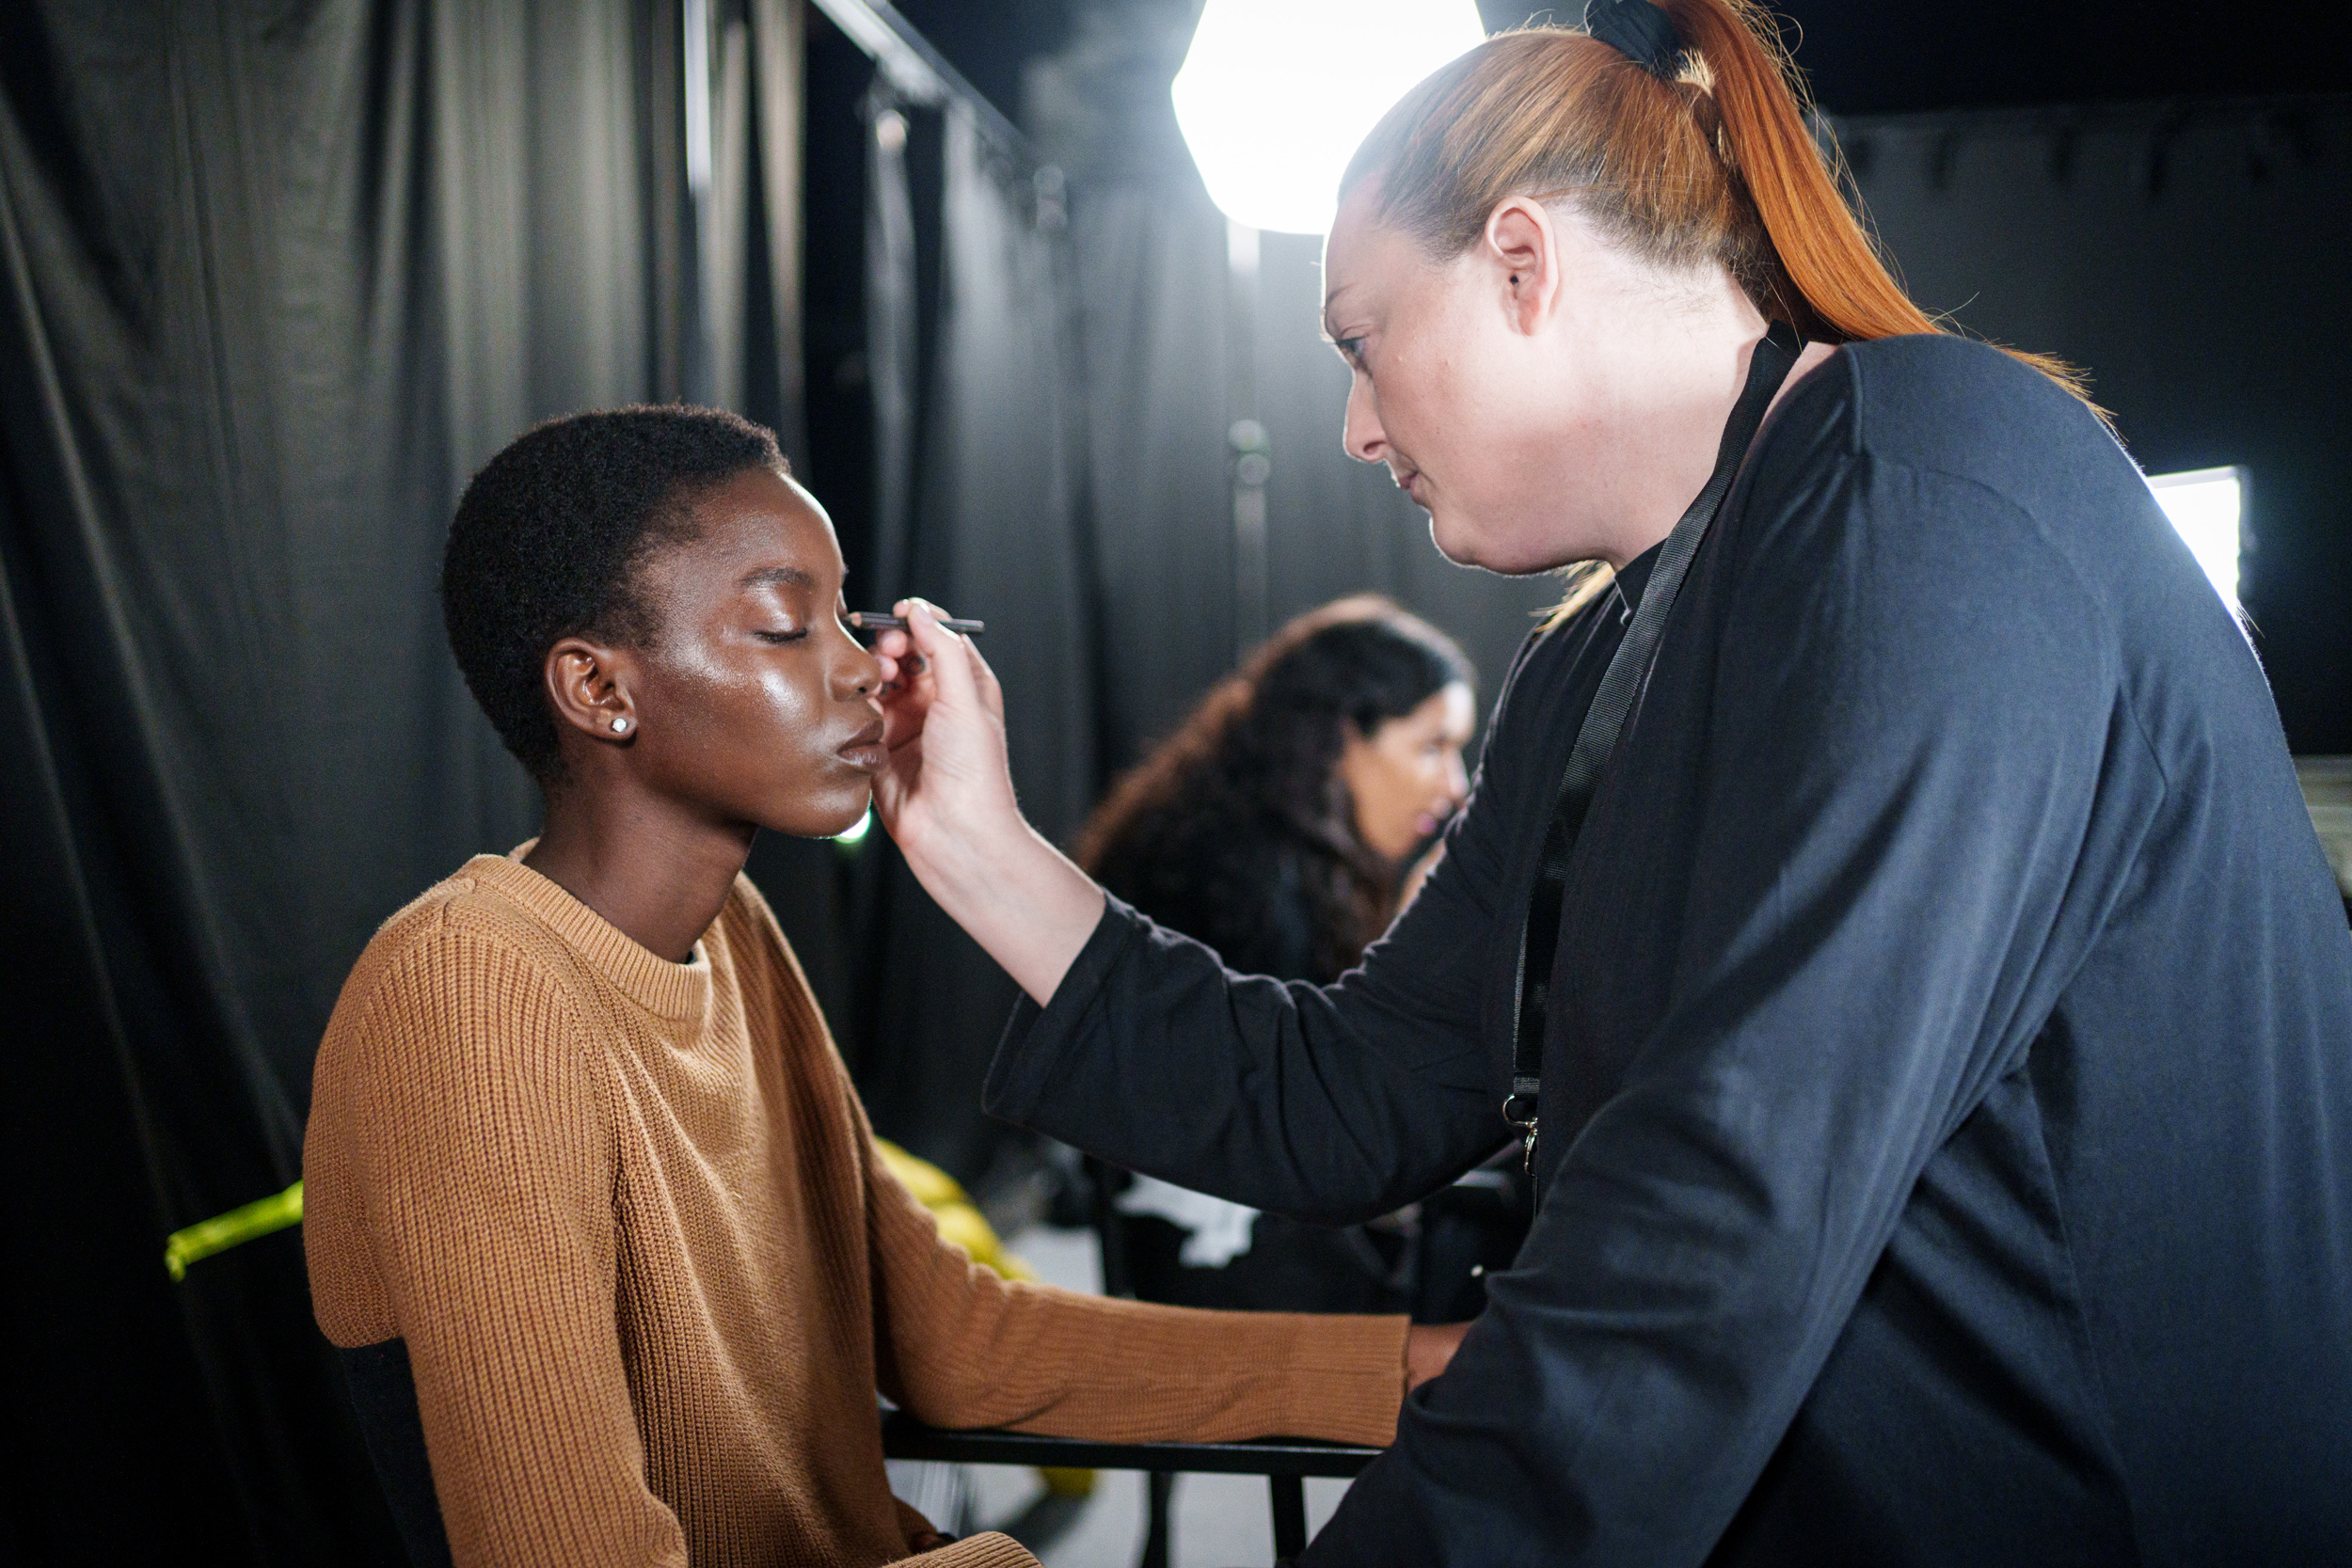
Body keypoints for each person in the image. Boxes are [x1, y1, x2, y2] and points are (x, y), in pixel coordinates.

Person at [863, 2, 2352, 1562]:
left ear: (1522, 263)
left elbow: (1714, 1230)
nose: (1358, 429)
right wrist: (976, 844)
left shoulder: (1939, 495)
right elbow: (1357, 1096)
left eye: (1362, 342)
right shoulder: (1594, 664)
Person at [301, 406, 1463, 1568]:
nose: (865, 669)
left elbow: (957, 1340)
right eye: (782, 627)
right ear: (599, 686)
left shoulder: (733, 932)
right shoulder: (468, 992)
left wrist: (1411, 1367)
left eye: (846, 616)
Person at [1074, 595, 1479, 1315]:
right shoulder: (1254, 884)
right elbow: (1327, 1110)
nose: (1454, 786)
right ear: (1342, 738)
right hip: (1247, 1278)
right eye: (1430, 745)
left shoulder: (1233, 841)